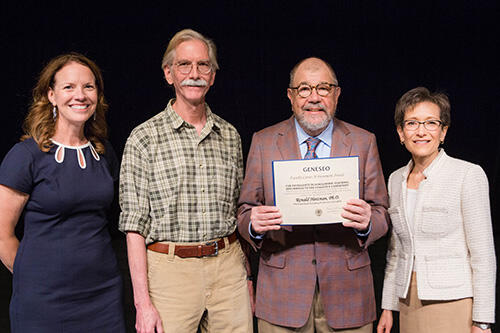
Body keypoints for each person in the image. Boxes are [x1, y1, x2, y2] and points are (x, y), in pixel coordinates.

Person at [237, 57, 389, 332]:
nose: (314, 97)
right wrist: (253, 225)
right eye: (304, 89)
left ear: (337, 94)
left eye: (324, 88)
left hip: (349, 294)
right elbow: (245, 209)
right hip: (282, 296)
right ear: (291, 95)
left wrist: (368, 222)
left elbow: (381, 212)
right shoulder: (264, 141)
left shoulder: (363, 141)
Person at [119, 29, 252, 333]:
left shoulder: (230, 136)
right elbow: (133, 227)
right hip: (170, 273)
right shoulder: (143, 138)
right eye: (184, 65)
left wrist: (247, 279)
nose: (195, 74)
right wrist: (142, 304)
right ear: (169, 74)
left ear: (213, 75)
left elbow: (237, 210)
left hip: (228, 270)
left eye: (203, 65)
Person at [0, 53, 125, 332]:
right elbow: (1, 234)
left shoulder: (104, 153)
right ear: (51, 95)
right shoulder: (26, 156)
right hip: (44, 302)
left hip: (102, 296)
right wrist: (30, 278)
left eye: (88, 87)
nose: (79, 95)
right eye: (69, 87)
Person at [377, 87, 496, 333]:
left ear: (443, 131)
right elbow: (396, 251)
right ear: (400, 132)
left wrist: (482, 321)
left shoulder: (467, 175)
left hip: (453, 302)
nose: (421, 131)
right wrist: (388, 307)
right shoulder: (395, 179)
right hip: (408, 300)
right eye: (412, 123)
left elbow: (483, 255)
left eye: (431, 123)